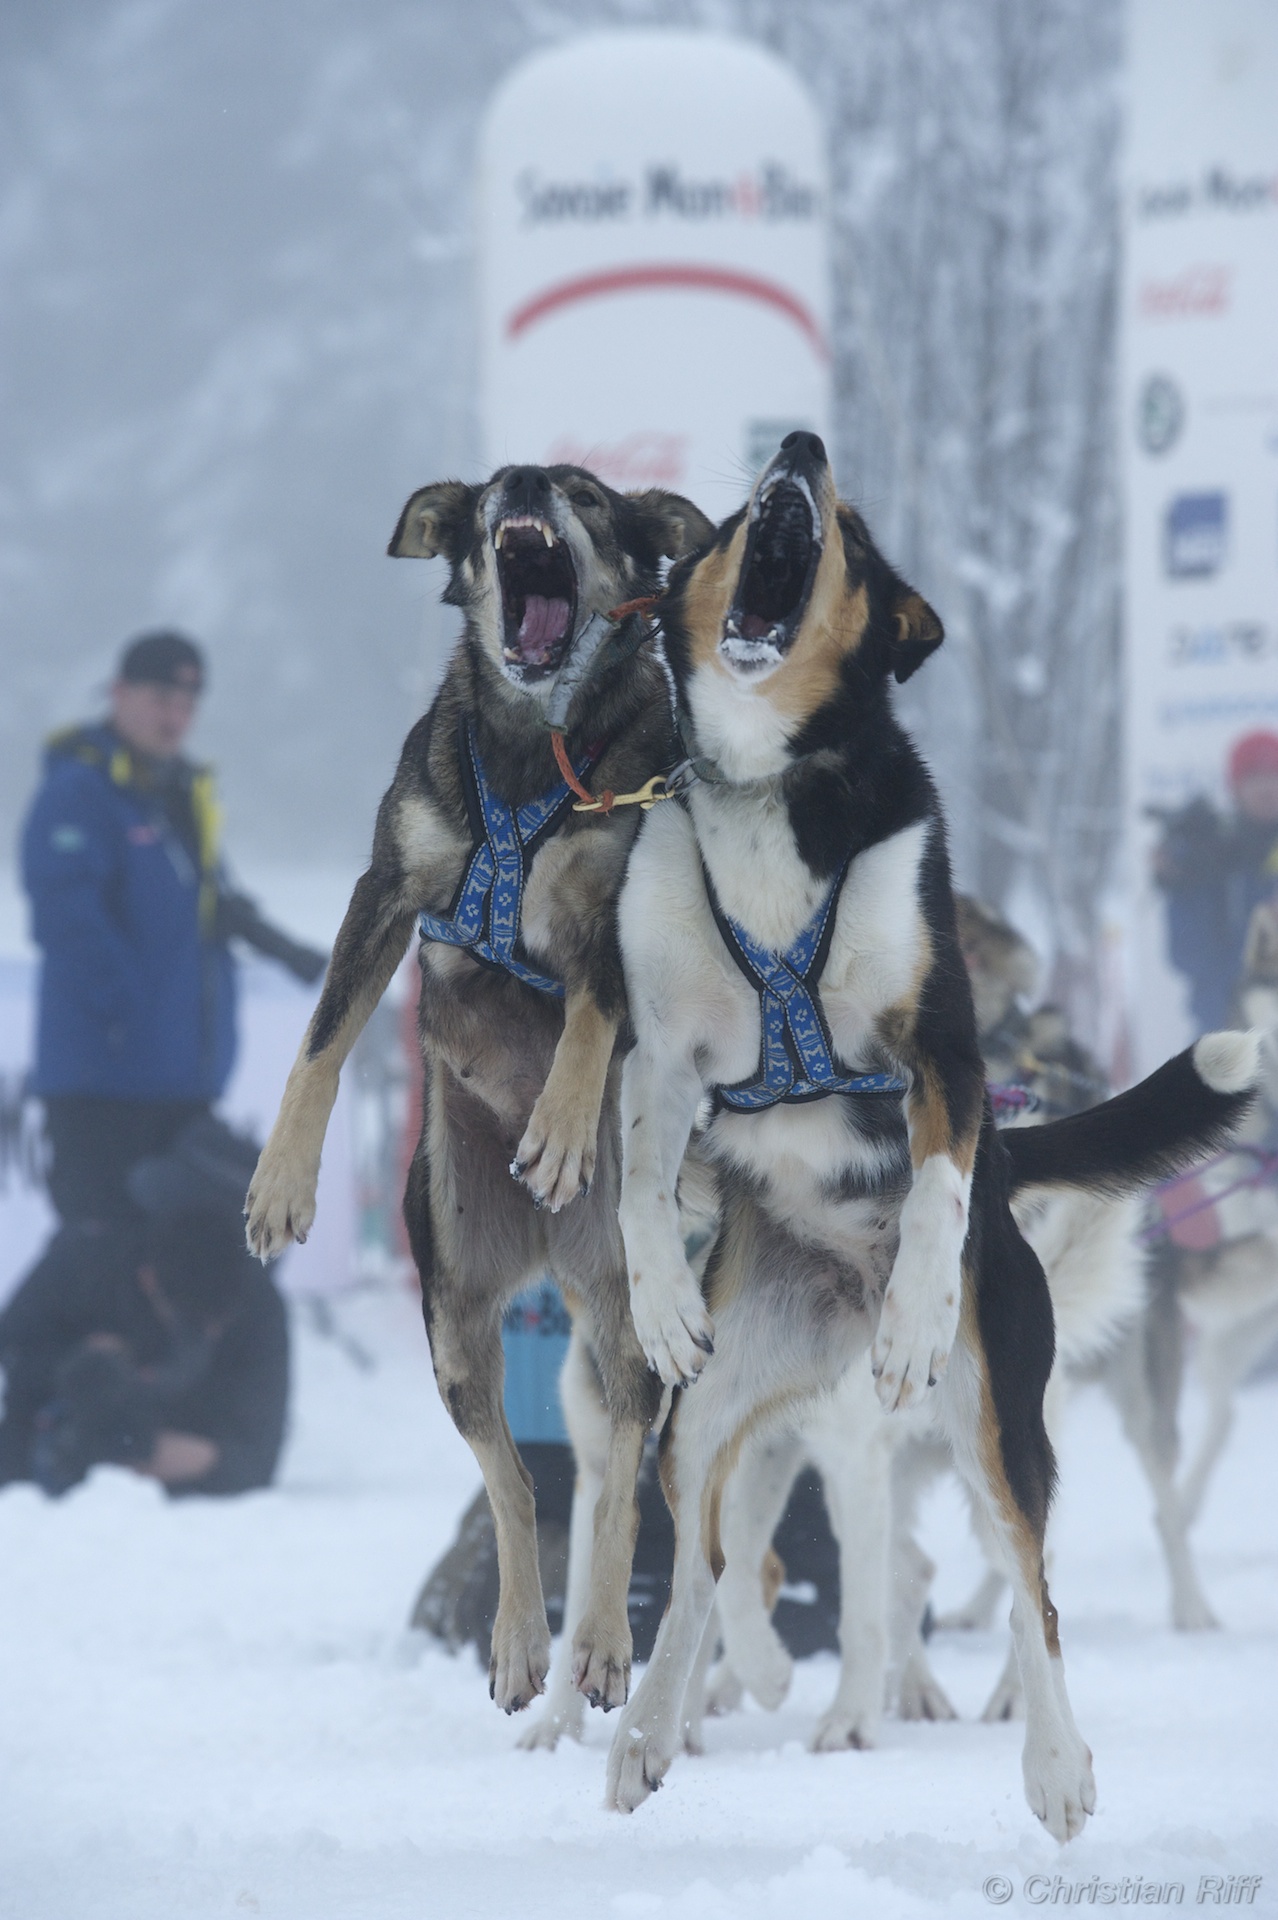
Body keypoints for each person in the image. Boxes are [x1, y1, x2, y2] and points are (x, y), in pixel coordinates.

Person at [20, 630, 327, 1228]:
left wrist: (296, 954)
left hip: (178, 1085)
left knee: (192, 1259)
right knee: (105, 1262)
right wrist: (127, 1015)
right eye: (162, 697)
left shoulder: (172, 797)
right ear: (119, 693)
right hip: (103, 1088)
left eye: (188, 704)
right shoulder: (80, 793)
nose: (176, 716)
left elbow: (215, 902)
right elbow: (68, 922)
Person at [0, 1114, 288, 1497]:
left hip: (185, 1456)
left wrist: (193, 1456)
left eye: (216, 1323)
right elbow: (15, 1346)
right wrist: (73, 1366)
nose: (207, 1333)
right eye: (192, 1320)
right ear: (148, 1280)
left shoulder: (256, 1305)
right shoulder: (86, 1264)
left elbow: (257, 1453)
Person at [1153, 729, 1278, 1032]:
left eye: (1273, 775)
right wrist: (1179, 880)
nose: (1266, 787)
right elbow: (1186, 954)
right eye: (1253, 777)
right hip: (1226, 1033)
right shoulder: (1211, 853)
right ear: (1235, 787)